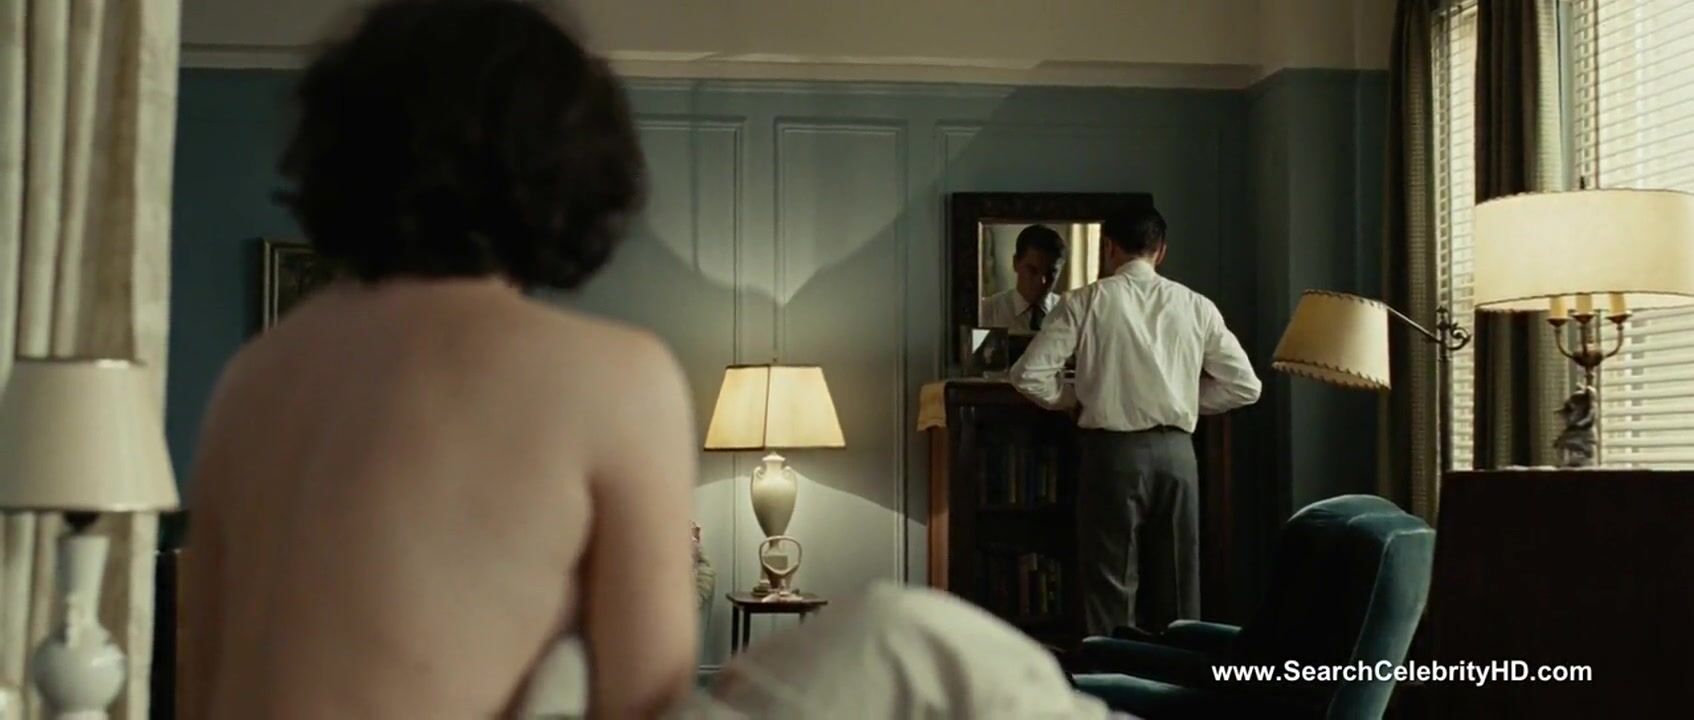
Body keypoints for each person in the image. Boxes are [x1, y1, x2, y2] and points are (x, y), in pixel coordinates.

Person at [181, 1, 1119, 718]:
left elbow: (202, 676)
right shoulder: (609, 378)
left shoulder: (255, 381)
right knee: (905, 633)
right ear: (564, 170)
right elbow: (645, 702)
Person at [1009, 207, 1260, 637]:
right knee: (1179, 585)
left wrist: (1078, 397)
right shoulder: (1196, 305)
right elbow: (1245, 386)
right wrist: (1182, 399)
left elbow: (1028, 376)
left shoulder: (1084, 301)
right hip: (1178, 456)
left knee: (1109, 583)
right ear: (1160, 251)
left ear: (1108, 248)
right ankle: (1178, 675)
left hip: (1112, 455)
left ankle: (1113, 673)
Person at [979, 224, 1066, 331]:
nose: (1042, 281)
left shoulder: (1070, 313)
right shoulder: (986, 312)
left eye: (1051, 273)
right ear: (1016, 263)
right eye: (1033, 270)